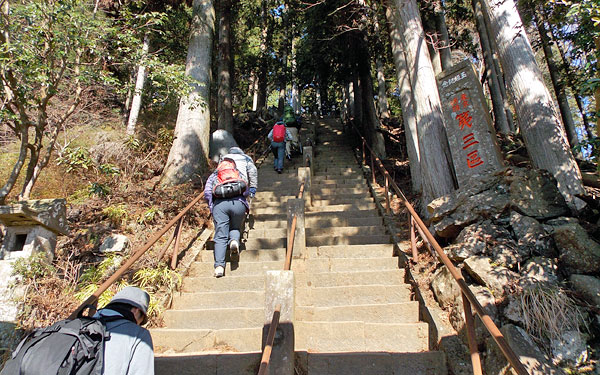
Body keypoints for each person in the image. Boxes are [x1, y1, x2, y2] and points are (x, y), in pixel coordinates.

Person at [204, 147, 258, 277]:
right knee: (235, 226)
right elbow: (245, 189)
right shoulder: (237, 173)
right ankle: (234, 240)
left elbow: (207, 192)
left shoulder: (215, 174)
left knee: (220, 235)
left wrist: (212, 206)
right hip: (238, 204)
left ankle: (219, 267)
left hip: (220, 205)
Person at [95, 286, 154, 375]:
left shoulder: (81, 325)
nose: (138, 325)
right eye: (140, 321)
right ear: (136, 311)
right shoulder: (138, 334)